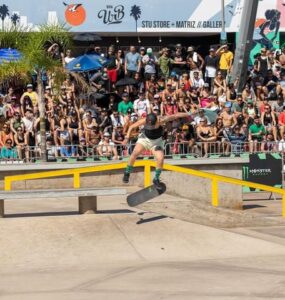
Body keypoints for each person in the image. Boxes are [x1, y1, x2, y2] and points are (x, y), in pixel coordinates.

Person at [122, 112, 192, 186]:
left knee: (160, 158)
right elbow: (131, 127)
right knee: (135, 153)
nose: (151, 127)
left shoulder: (161, 120)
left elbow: (175, 115)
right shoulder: (144, 120)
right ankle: (127, 172)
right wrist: (126, 138)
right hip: (145, 139)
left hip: (157, 142)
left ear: (156, 121)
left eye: (152, 125)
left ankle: (156, 178)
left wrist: (190, 113)